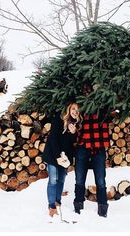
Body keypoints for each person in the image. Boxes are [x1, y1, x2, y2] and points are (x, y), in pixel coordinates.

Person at [73, 86, 110, 218]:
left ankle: (103, 209)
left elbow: (114, 111)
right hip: (82, 146)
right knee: (79, 178)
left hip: (99, 146)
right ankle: (78, 207)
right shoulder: (79, 104)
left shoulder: (104, 104)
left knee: (100, 179)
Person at [42, 102, 82, 218]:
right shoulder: (58, 119)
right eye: (73, 109)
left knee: (61, 179)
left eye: (78, 110)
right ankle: (51, 206)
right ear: (69, 109)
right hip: (53, 154)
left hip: (65, 157)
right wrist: (57, 157)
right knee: (53, 179)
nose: (75, 112)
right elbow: (53, 138)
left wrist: (73, 133)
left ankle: (57, 202)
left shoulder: (77, 124)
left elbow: (71, 143)